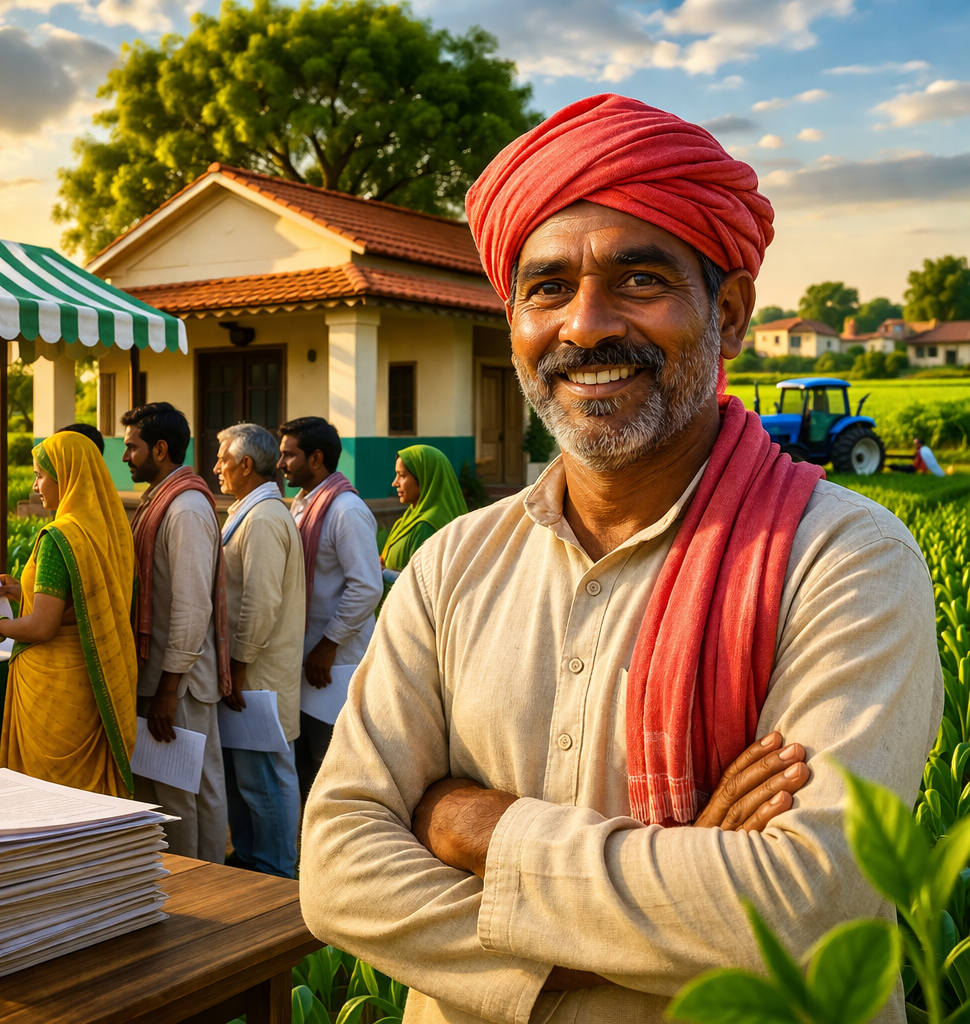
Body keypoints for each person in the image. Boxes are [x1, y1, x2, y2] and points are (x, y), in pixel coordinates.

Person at [298, 94, 940, 1023]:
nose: (587, 326)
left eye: (639, 280)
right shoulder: (453, 566)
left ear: (730, 313)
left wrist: (465, 822)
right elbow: (337, 870)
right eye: (548, 288)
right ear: (514, 319)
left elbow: (809, 910)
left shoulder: (844, 559)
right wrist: (632, 952)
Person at [0, 432, 138, 798]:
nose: (35, 485)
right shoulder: (108, 529)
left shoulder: (58, 537)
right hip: (90, 677)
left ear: (67, 475)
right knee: (89, 798)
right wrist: (23, 591)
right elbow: (83, 599)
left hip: (55, 686)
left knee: (53, 796)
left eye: (40, 474)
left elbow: (42, 626)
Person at [123, 402, 230, 862]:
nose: (125, 456)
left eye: (132, 447)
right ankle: (212, 882)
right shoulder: (164, 500)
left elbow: (190, 607)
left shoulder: (183, 509)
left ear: (160, 449)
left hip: (179, 683)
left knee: (180, 797)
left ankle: (199, 891)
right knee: (192, 789)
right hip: (171, 677)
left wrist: (168, 688)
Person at [214, 422, 305, 878]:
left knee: (266, 778)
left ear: (246, 465)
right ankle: (254, 859)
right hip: (253, 671)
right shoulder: (251, 512)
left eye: (223, 460)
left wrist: (238, 664)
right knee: (249, 776)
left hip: (259, 674)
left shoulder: (265, 518)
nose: (217, 469)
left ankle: (276, 869)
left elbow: (260, 600)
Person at [277, 416, 380, 800]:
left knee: (331, 767)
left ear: (316, 458)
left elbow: (366, 587)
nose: (281, 463)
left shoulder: (345, 510)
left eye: (290, 455)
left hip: (334, 665)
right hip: (306, 658)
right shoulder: (304, 504)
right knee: (305, 765)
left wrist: (328, 643)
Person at [380, 444, 466, 574]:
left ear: (424, 478)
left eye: (402, 475)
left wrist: (383, 573)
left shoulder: (427, 526)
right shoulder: (407, 520)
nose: (395, 483)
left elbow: (421, 583)